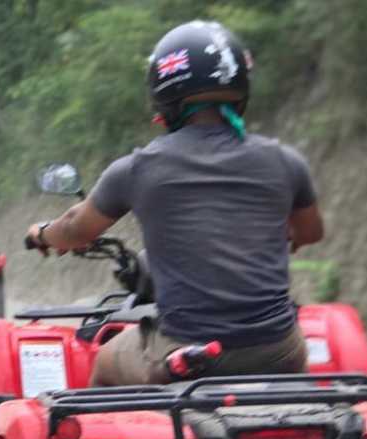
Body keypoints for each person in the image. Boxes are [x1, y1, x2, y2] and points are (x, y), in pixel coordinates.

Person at [25, 21, 325, 387]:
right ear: (240, 90)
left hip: (187, 350)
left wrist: (42, 234)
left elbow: (75, 228)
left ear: (163, 99)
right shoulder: (285, 161)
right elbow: (310, 232)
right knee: (294, 344)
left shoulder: (138, 169)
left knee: (106, 360)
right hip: (279, 351)